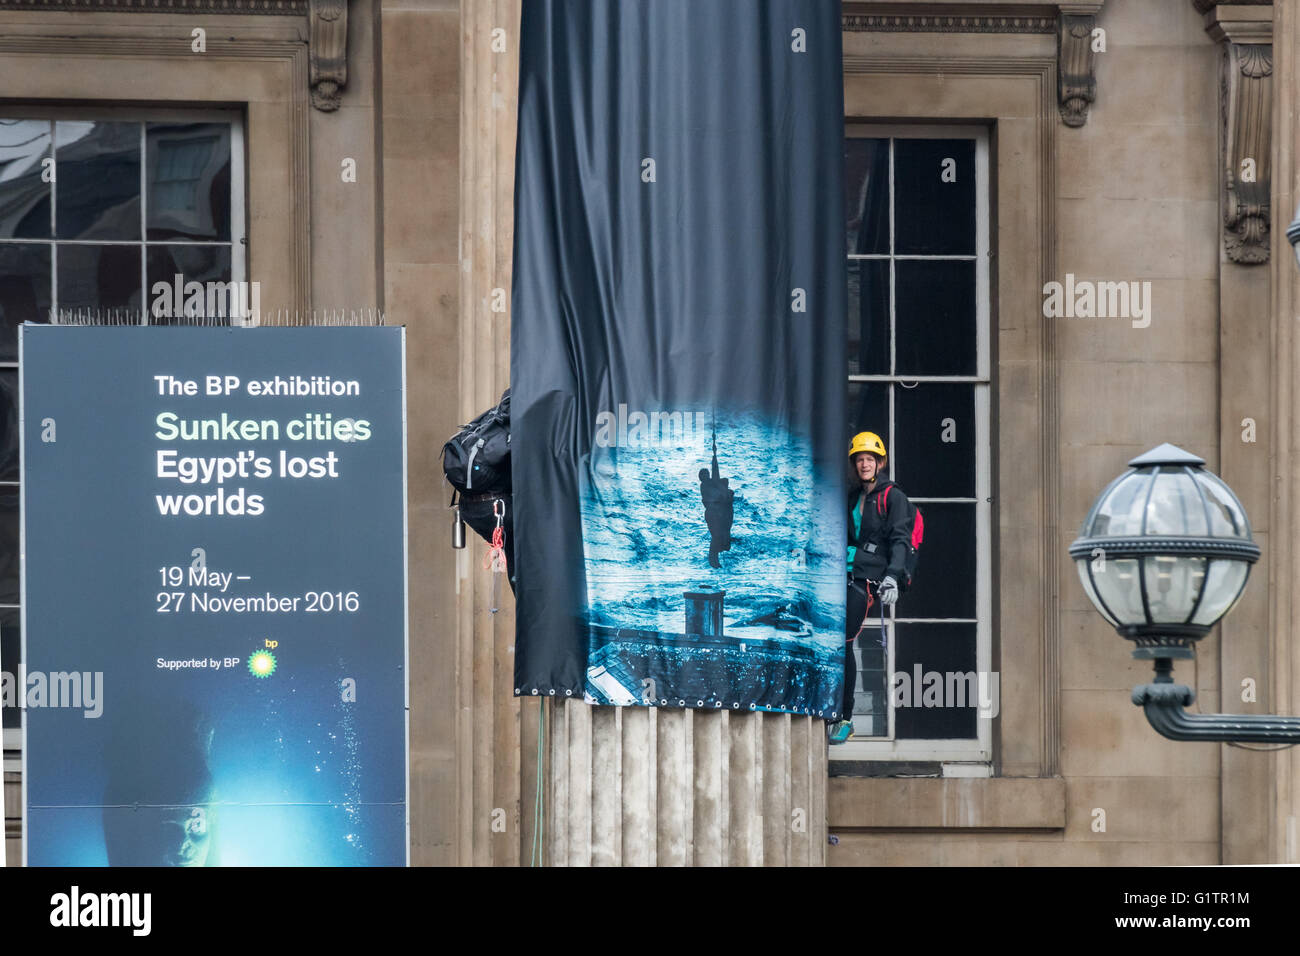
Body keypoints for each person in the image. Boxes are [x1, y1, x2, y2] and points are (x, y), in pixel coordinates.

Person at [830, 430, 914, 745]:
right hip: (843, 573)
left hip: (867, 579)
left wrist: (893, 576)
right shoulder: (854, 496)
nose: (865, 464)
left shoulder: (894, 497)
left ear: (880, 462)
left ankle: (846, 718)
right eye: (860, 459)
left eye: (870, 459)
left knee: (844, 640)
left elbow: (901, 539)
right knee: (830, 639)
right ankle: (830, 705)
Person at [698, 427, 735, 568]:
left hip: (720, 513)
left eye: (707, 474)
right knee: (717, 536)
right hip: (714, 514)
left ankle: (715, 559)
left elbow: (716, 472)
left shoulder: (712, 484)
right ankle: (713, 559)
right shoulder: (706, 486)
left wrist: (715, 456)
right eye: (704, 475)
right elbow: (715, 475)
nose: (707, 476)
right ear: (702, 478)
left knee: (722, 535)